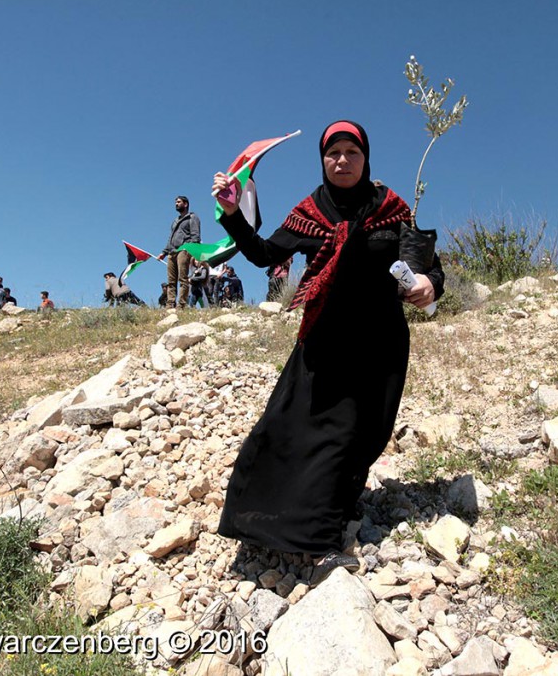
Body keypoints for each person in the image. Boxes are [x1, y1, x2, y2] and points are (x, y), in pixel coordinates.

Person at [211, 120, 444, 585]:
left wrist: (427, 286)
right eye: (333, 153)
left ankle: (324, 514)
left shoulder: (391, 209)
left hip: (378, 345)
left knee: (358, 439)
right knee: (288, 428)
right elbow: (262, 253)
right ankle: (294, 530)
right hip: (322, 344)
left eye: (351, 152)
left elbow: (425, 265)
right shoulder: (310, 213)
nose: (342, 160)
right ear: (322, 160)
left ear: (365, 158)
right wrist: (233, 213)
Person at [156, 196, 201, 308]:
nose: (176, 204)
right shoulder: (175, 221)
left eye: (179, 202)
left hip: (184, 250)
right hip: (172, 252)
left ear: (185, 204)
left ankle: (181, 305)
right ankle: (170, 304)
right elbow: (170, 238)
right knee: (171, 281)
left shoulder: (192, 217)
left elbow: (196, 236)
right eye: (175, 202)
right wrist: (164, 252)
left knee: (183, 278)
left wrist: (194, 252)